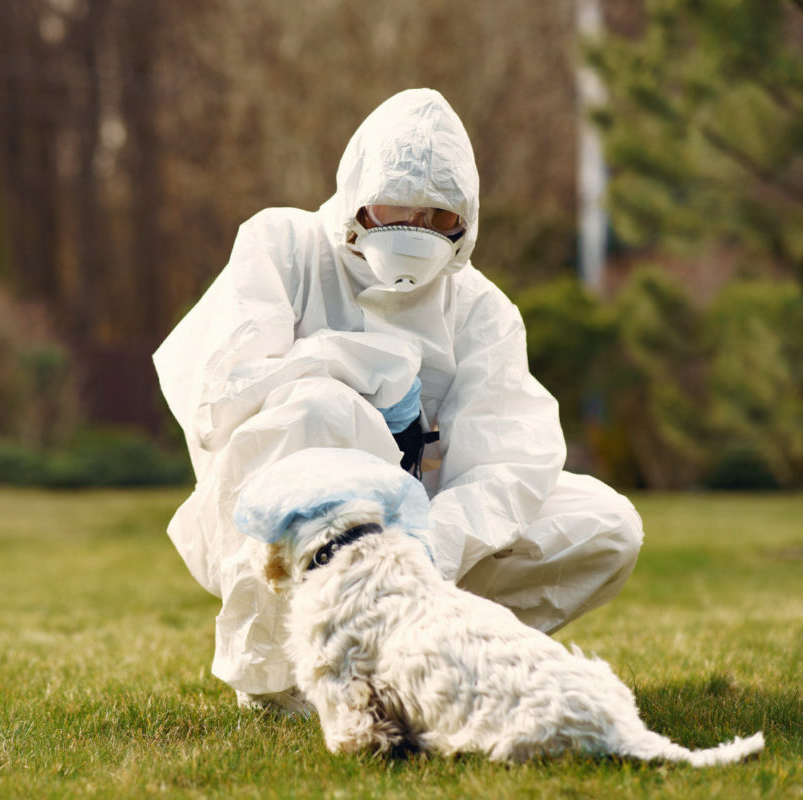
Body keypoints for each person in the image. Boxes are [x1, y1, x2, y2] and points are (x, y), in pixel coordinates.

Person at [153, 88, 643, 714]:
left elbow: (506, 463)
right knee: (323, 410)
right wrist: (346, 363)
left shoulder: (480, 310)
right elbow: (223, 400)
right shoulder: (285, 247)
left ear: (467, 218)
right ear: (357, 198)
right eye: (398, 209)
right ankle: (284, 676)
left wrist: (427, 544)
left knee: (606, 527)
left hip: (420, 544)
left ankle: (429, 658)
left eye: (440, 216)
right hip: (280, 533)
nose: (419, 231)